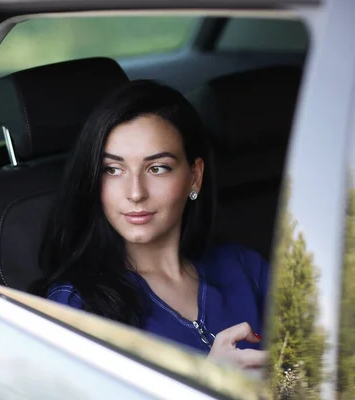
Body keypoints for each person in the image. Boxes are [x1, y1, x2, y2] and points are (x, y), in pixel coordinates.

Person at [36, 80, 269, 370]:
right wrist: (209, 381)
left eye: (157, 168)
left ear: (194, 177)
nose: (135, 192)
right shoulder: (78, 305)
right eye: (113, 169)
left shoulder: (245, 268)